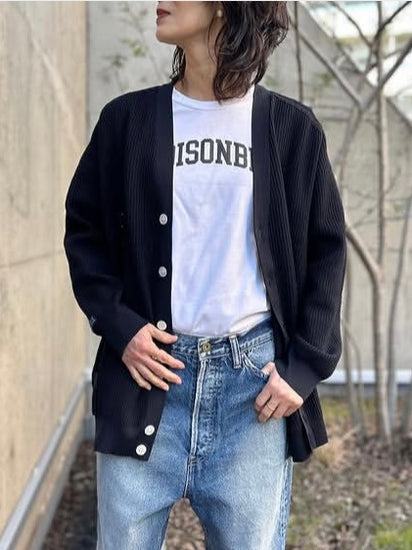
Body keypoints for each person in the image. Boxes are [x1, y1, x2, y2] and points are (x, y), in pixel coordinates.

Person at [63, 2, 346, 549]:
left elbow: (326, 252)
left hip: (252, 389)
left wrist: (305, 366)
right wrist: (120, 326)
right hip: (146, 379)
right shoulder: (127, 121)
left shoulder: (292, 130)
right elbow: (84, 231)